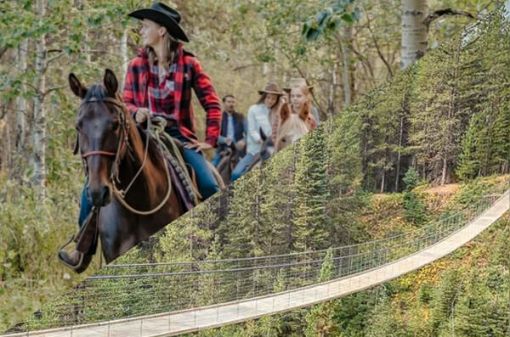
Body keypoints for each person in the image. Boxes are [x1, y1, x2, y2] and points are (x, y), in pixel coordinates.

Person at [59, 2, 222, 269]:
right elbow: (126, 103)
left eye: (145, 25)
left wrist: (209, 139)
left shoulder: (190, 65)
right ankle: (82, 248)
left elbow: (212, 103)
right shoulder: (136, 65)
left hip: (178, 137)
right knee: (92, 187)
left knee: (210, 185)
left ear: (162, 31)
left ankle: (216, 247)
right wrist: (138, 112)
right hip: (141, 134)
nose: (142, 30)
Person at [231, 83, 283, 182]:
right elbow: (252, 130)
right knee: (236, 174)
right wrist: (261, 140)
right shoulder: (254, 109)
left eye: (273, 99)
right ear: (264, 96)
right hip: (255, 150)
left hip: (272, 150)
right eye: (268, 97)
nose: (270, 101)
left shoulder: (278, 112)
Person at [211, 95, 246, 167]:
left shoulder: (241, 117)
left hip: (239, 150)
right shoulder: (218, 117)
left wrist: (244, 141)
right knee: (212, 167)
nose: (231, 104)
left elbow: (249, 132)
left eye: (233, 102)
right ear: (223, 103)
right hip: (223, 150)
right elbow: (214, 136)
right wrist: (225, 140)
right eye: (229, 102)